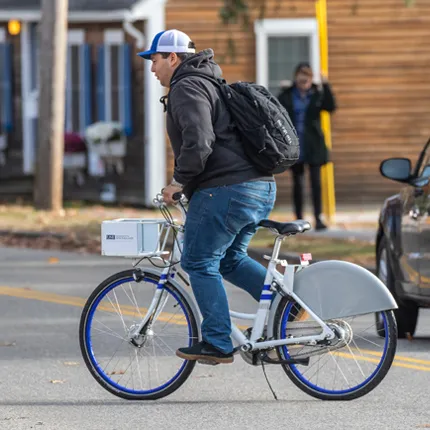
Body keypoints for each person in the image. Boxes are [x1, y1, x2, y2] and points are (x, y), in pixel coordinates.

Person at [138, 29, 276, 364]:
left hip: (227, 190)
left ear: (173, 57)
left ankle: (216, 342)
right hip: (258, 186)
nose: (152, 68)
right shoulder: (210, 81)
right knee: (228, 260)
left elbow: (199, 142)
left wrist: (178, 182)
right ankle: (290, 308)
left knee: (197, 261)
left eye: (154, 60)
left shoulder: (187, 86)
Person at [278, 62, 337, 231]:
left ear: (311, 80)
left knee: (316, 182)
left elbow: (330, 106)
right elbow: (278, 107)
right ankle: (299, 217)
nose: (303, 83)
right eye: (300, 79)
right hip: (295, 143)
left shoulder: (317, 94)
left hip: (313, 144)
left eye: (306, 79)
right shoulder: (289, 94)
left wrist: (325, 85)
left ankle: (318, 217)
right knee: (298, 182)